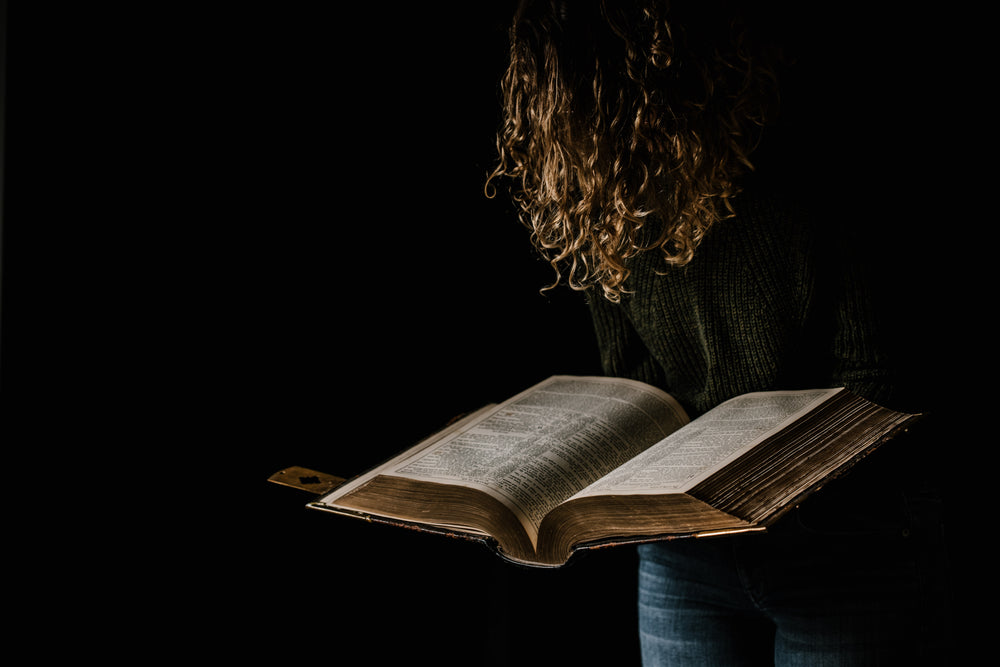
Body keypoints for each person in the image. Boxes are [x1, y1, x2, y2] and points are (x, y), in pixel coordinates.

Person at [486, 1, 952, 664]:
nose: (591, 143)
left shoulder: (813, 164)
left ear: (664, 84)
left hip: (848, 544)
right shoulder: (600, 200)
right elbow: (634, 390)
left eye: (605, 110)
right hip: (685, 556)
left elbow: (881, 385)